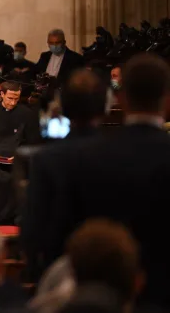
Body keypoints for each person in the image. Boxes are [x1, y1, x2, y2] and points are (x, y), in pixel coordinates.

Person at [27, 54, 170, 309]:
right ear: (167, 98)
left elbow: (53, 229)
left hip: (94, 291)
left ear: (120, 97)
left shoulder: (91, 155)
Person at [21, 69, 108, 279]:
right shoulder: (119, 153)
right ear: (104, 107)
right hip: (108, 265)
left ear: (65, 108)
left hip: (59, 264)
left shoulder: (46, 158)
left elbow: (33, 223)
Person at [0, 81, 40, 224]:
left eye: (16, 99)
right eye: (10, 98)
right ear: (2, 94)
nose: (13, 102)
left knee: (17, 176)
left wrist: (19, 155)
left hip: (18, 160)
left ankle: (16, 217)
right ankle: (0, 217)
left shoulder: (27, 114)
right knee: (1, 176)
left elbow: (32, 142)